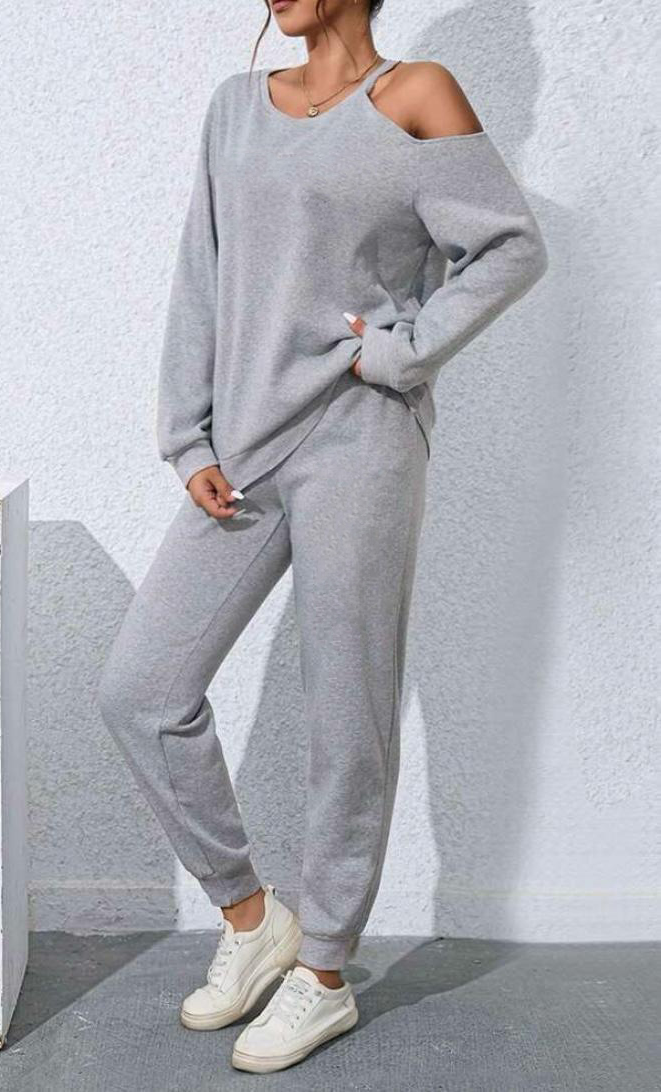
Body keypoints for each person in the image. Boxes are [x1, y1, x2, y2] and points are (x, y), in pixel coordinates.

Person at [98, 0, 548, 1074]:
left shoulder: (415, 95)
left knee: (347, 710)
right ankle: (253, 919)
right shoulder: (234, 108)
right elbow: (202, 271)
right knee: (140, 690)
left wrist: (403, 352)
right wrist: (188, 436)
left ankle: (327, 971)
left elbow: (509, 244)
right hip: (245, 448)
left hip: (363, 443)